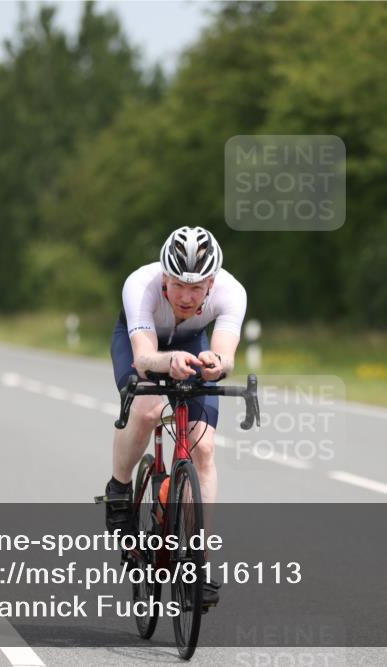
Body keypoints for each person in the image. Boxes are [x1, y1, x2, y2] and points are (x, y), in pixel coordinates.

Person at [105, 226, 246, 604]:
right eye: (178, 284)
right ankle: (119, 490)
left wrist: (217, 363)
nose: (186, 296)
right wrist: (168, 362)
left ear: (212, 284)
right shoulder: (141, 284)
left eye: (197, 287)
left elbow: (225, 352)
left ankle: (198, 560)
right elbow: (144, 357)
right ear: (164, 275)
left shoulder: (232, 292)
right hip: (144, 343)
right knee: (149, 408)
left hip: (191, 344)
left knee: (204, 448)